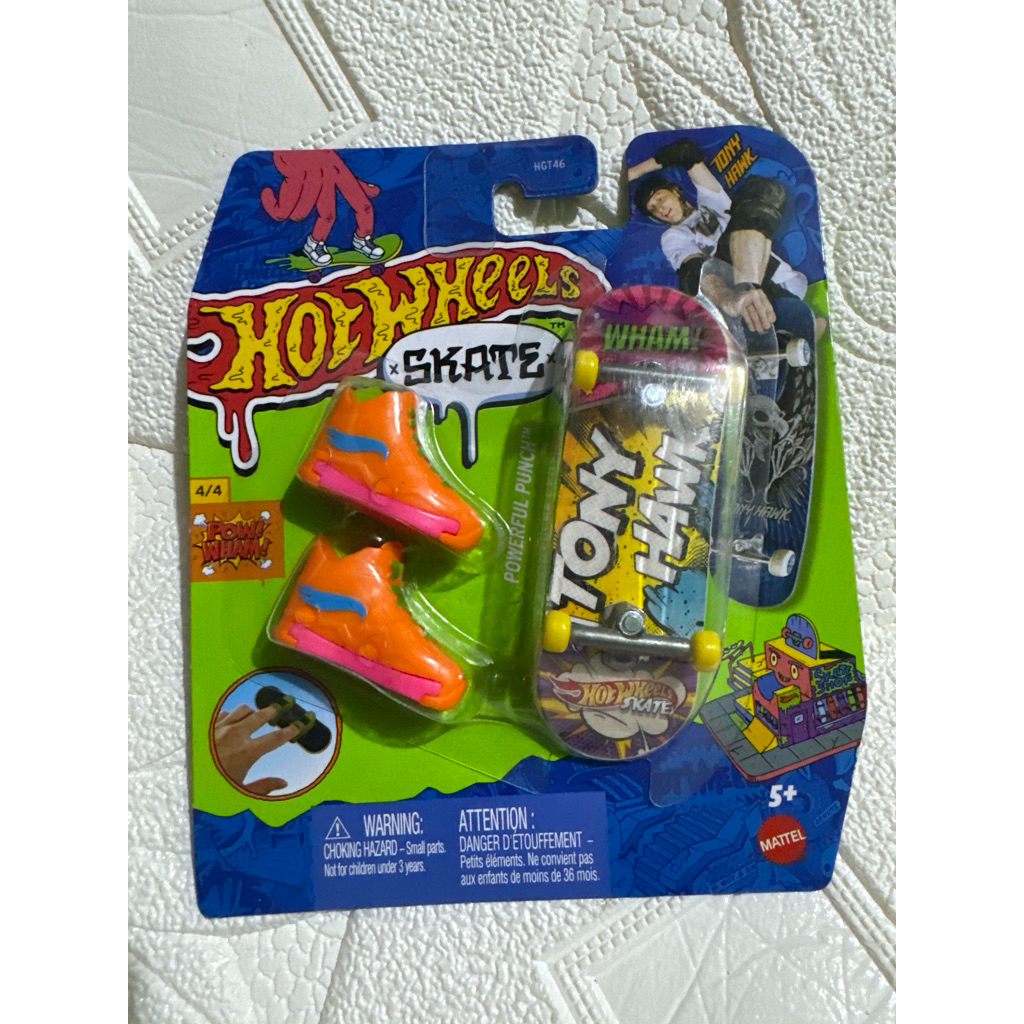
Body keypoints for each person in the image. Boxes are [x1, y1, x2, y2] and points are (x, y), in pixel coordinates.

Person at [630, 139, 824, 343]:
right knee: (702, 269)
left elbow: (686, 153)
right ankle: (750, 299)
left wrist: (631, 174)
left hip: (783, 282)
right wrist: (729, 299)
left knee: (763, 189)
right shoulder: (673, 236)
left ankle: (762, 306)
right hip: (732, 289)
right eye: (653, 209)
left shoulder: (712, 201)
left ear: (675, 191)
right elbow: (694, 271)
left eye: (660, 198)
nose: (660, 208)